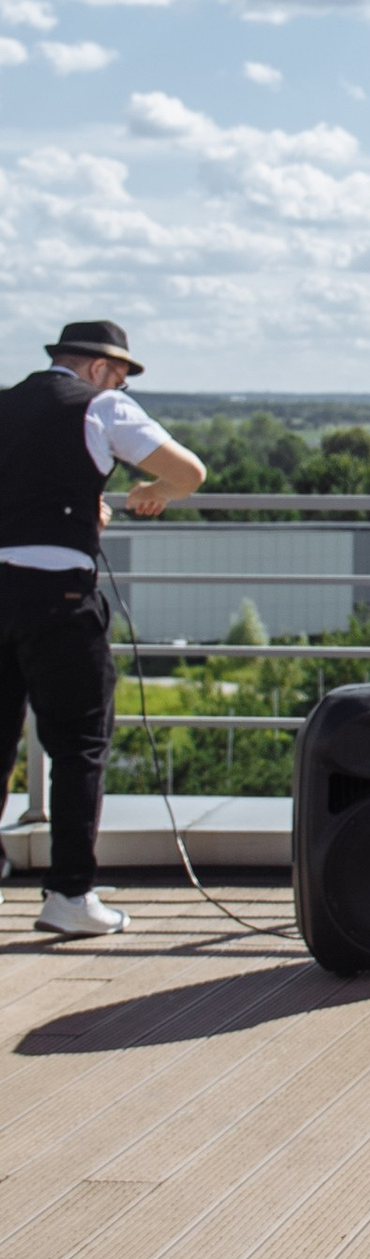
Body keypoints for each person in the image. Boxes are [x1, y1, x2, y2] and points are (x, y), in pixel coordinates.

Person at [0, 321, 204, 941]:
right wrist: (151, 490)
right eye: (119, 373)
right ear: (96, 369)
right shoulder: (101, 405)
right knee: (80, 742)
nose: (120, 383)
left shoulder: (7, 403)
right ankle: (68, 892)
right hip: (59, 596)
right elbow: (188, 472)